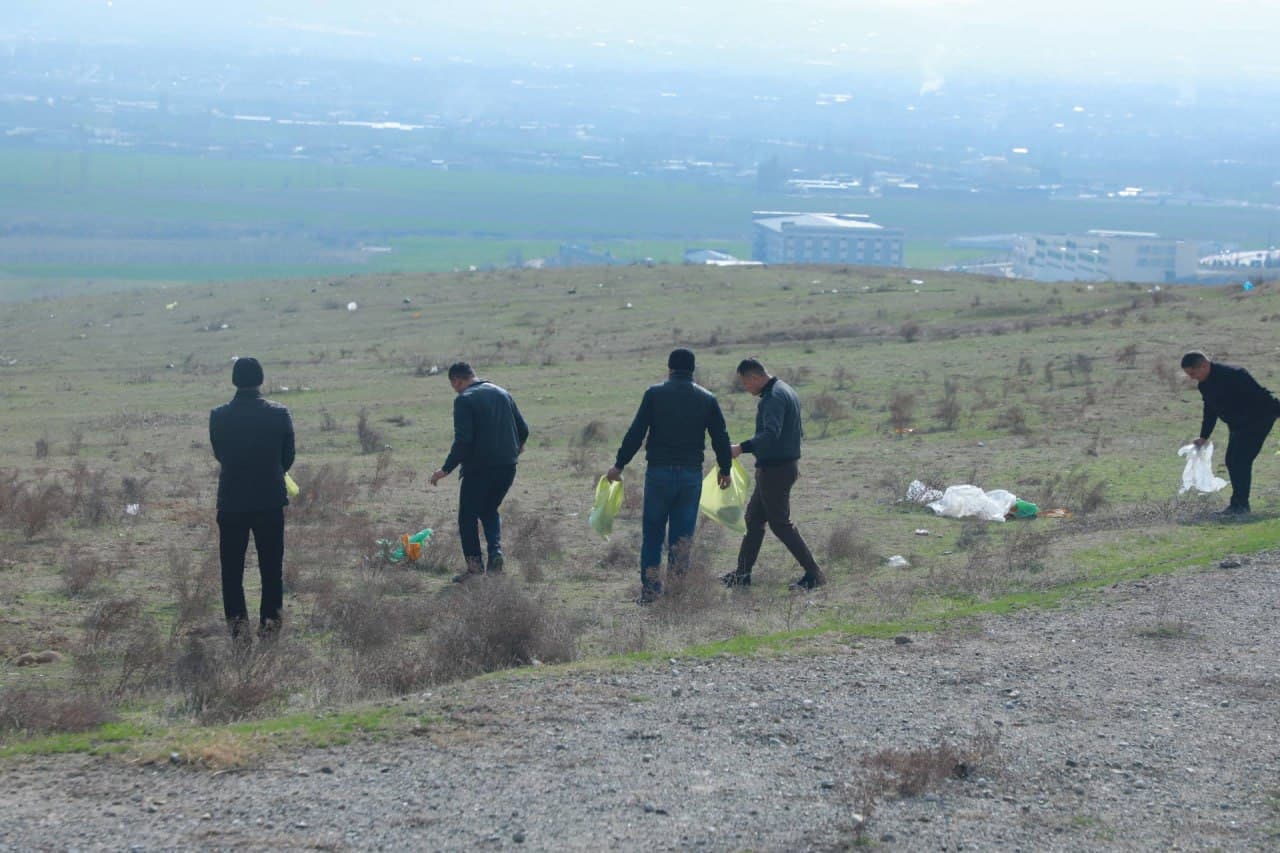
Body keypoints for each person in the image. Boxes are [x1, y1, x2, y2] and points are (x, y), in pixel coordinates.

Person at [608, 348, 731, 604]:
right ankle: (676, 594)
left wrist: (619, 465)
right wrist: (725, 469)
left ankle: (651, 593)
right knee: (682, 537)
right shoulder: (707, 398)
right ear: (693, 370)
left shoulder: (654, 394)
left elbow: (636, 433)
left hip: (659, 473)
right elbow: (720, 437)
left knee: (653, 534)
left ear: (669, 368)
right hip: (690, 475)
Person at [721, 358, 826, 591]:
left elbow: (771, 434)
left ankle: (814, 573)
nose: (745, 388)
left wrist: (741, 448)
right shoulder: (785, 390)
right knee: (754, 520)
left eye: (745, 383)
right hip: (777, 467)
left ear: (755, 377)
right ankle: (742, 574)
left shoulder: (773, 398)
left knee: (780, 524)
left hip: (776, 470)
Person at [209, 356, 295, 639]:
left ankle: (238, 629)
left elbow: (220, 455)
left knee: (231, 572)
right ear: (260, 380)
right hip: (269, 500)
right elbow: (287, 458)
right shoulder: (279, 414)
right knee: (271, 570)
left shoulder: (219, 416)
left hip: (232, 501)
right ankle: (269, 627)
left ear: (234, 381)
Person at [430, 362, 529, 580]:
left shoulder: (464, 400)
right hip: (507, 467)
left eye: (453, 384)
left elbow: (463, 441)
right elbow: (524, 429)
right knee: (489, 509)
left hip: (479, 469)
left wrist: (445, 469)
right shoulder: (503, 393)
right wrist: (515, 450)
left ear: (457, 380)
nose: (455, 389)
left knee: (467, 517)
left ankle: (474, 569)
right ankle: (495, 552)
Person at [1182, 351, 1280, 516]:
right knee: (1234, 461)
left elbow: (1261, 396)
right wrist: (1204, 436)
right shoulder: (1204, 385)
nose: (1192, 378)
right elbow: (1210, 410)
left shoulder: (1234, 374)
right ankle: (1239, 505)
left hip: (1257, 420)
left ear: (1204, 365)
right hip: (1238, 425)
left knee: (1238, 460)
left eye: (1193, 373)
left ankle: (1240, 507)